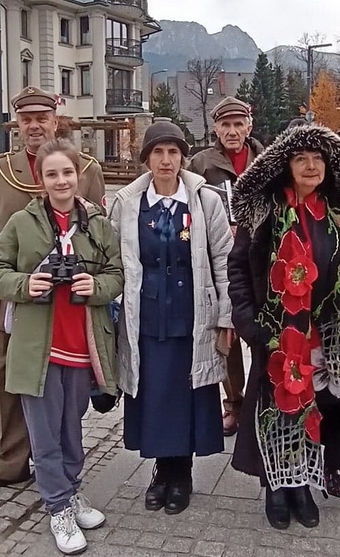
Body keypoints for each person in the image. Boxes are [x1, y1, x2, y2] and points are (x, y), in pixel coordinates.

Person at [0, 87, 105, 497]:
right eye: (27, 119)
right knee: (5, 376)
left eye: (42, 117)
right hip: (11, 297)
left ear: (55, 120)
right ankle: (10, 461)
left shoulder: (86, 169)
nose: (35, 125)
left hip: (66, 301)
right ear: (17, 124)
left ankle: (58, 461)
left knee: (61, 381)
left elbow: (97, 233)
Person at [0, 139, 122, 555]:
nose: (61, 181)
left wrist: (95, 286)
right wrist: (25, 284)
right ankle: (58, 507)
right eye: (52, 174)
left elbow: (117, 273)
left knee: (71, 430)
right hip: (37, 348)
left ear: (78, 175)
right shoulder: (23, 224)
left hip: (81, 346)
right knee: (44, 436)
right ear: (40, 181)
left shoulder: (96, 223)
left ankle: (71, 491)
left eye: (67, 172)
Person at [228, 125, 340, 530]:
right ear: (286, 166)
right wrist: (248, 322)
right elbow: (238, 269)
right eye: (301, 158)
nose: (311, 166)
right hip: (277, 331)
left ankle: (303, 482)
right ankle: (276, 485)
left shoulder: (338, 215)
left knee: (316, 408)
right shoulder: (265, 212)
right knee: (278, 408)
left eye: (318, 159)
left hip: (327, 333)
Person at [110, 120, 234, 515]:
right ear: (146, 158)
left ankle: (182, 473)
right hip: (145, 317)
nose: (166, 160)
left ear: (184, 157)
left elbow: (225, 263)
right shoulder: (128, 204)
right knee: (155, 396)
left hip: (192, 315)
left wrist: (226, 318)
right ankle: (161, 471)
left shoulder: (206, 200)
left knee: (187, 396)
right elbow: (114, 262)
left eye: (174, 152)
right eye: (158, 152)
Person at [187, 96, 264, 437]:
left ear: (249, 126)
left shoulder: (267, 158)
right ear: (216, 128)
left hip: (263, 259)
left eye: (238, 124)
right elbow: (188, 205)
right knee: (228, 331)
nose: (232, 132)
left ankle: (265, 401)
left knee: (265, 332)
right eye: (225, 125)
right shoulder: (201, 163)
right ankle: (234, 401)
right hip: (222, 260)